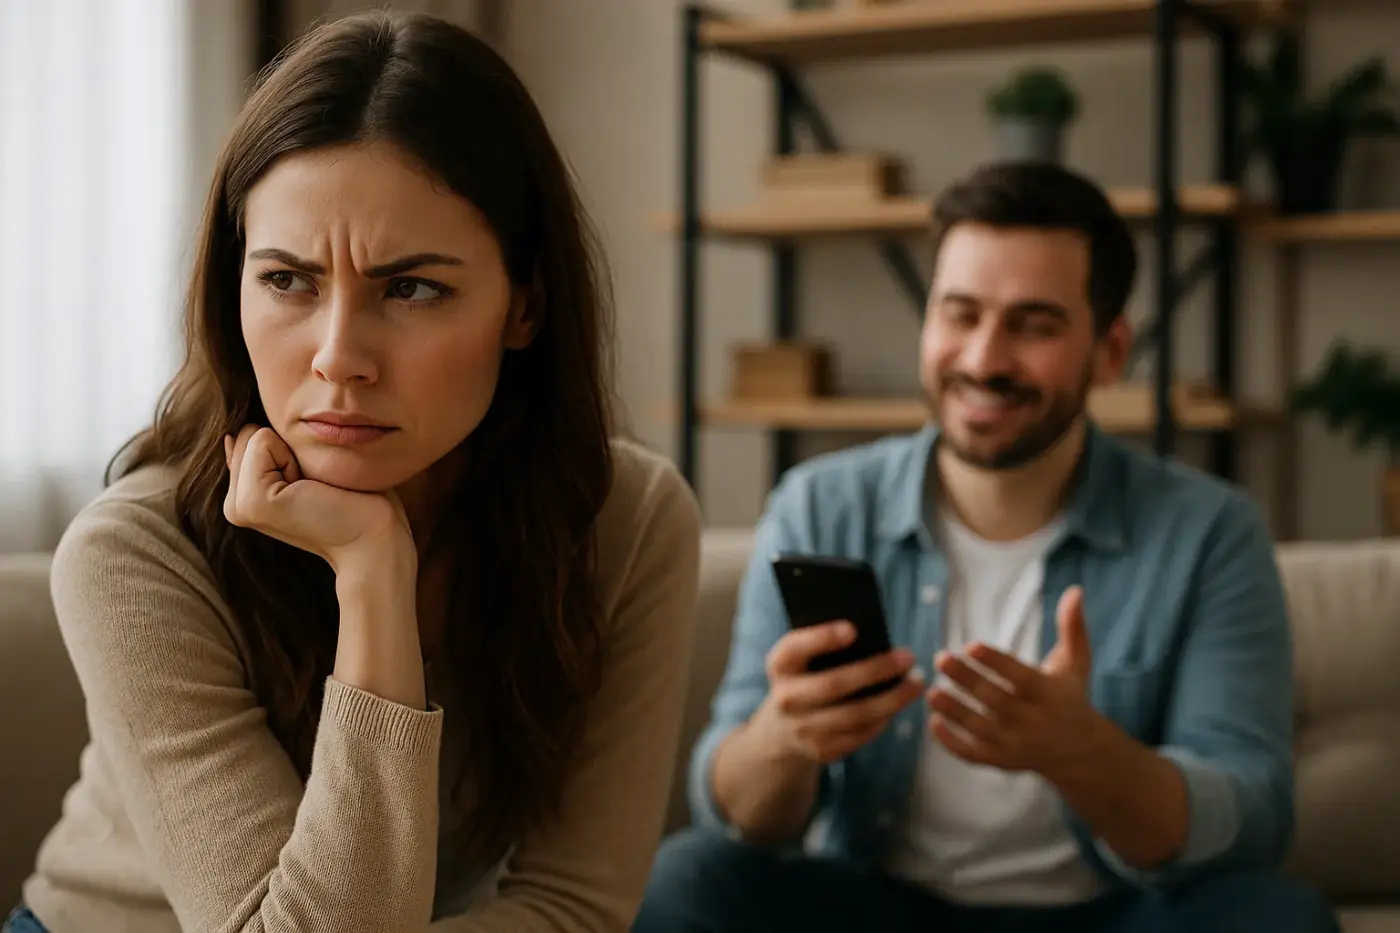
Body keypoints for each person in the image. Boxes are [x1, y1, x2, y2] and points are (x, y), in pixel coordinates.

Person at [4, 11, 701, 933]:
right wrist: (375, 574)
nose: (339, 358)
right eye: (288, 280)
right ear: (233, 288)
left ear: (525, 305)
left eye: (411, 287)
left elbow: (574, 905)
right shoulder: (133, 552)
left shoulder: (629, 521)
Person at [632, 161, 1339, 933]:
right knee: (687, 878)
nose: (983, 360)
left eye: (1033, 325)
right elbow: (729, 808)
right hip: (875, 908)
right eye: (960, 314)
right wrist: (785, 736)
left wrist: (1082, 752)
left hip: (1112, 917)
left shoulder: (1211, 532)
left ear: (1109, 351)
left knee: (1283, 920)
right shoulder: (820, 505)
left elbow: (1253, 814)